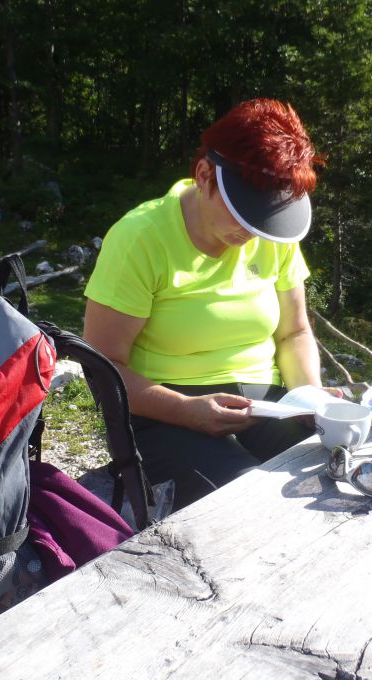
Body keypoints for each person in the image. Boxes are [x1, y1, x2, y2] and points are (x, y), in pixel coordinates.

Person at [83, 97, 336, 511]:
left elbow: (293, 331)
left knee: (328, 473)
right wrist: (185, 411)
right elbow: (102, 367)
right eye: (245, 216)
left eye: (267, 222)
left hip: (264, 399)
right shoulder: (141, 238)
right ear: (204, 176)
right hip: (161, 408)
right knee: (246, 505)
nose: (256, 235)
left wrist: (309, 397)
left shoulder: (272, 240)